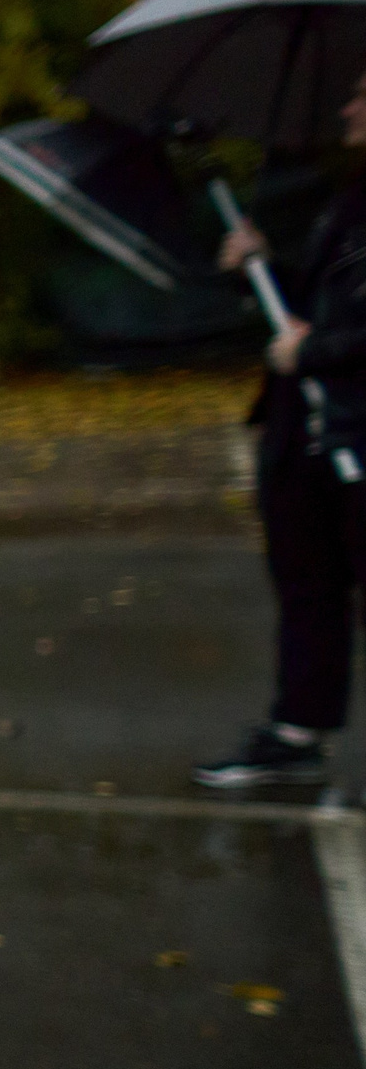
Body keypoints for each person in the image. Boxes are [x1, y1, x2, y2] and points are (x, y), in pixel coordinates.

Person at [197, 68, 366, 789]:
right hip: (307, 432)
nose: (349, 104)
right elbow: (319, 303)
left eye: (364, 91)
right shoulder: (350, 201)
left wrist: (317, 349)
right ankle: (298, 727)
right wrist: (259, 270)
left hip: (359, 435)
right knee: (308, 585)